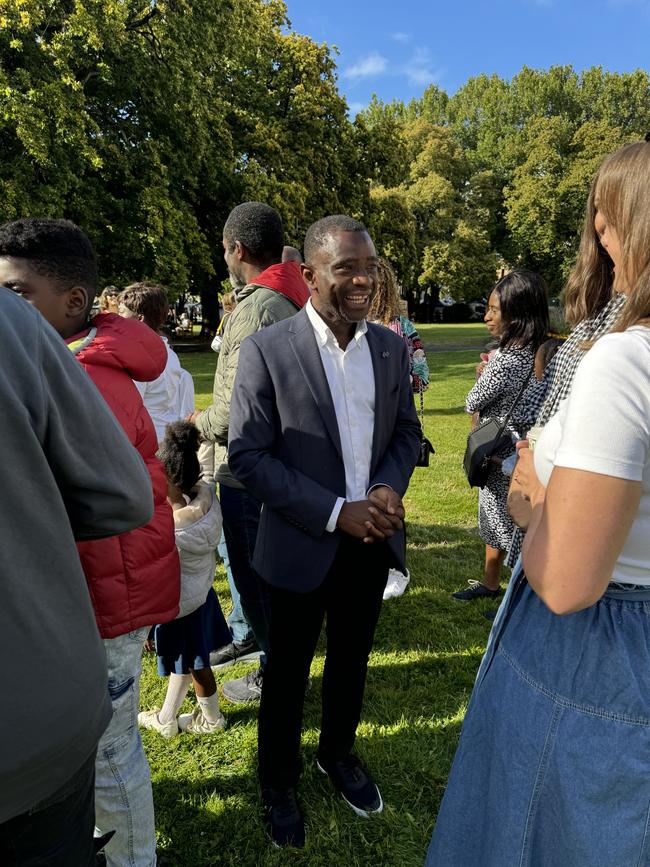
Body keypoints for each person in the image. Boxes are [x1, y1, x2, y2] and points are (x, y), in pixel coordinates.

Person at [426, 139, 650, 867]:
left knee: (533, 834)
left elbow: (567, 581)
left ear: (616, 225)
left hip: (592, 650)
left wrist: (529, 501)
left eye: (602, 220)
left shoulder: (623, 359)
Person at [227, 214, 421, 847]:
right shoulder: (266, 348)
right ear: (310, 275)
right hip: (301, 543)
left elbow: (405, 435)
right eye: (347, 268)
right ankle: (277, 781)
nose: (364, 279)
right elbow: (248, 457)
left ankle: (337, 753)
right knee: (286, 672)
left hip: (370, 542)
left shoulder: (389, 347)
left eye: (369, 266)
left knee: (352, 661)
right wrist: (338, 510)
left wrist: (388, 489)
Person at [0, 217, 180, 867]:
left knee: (111, 751)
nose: (7, 309)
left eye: (18, 294)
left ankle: (134, 858)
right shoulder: (79, 359)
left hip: (107, 594)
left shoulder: (91, 374)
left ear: (72, 302)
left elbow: (113, 493)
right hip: (104, 587)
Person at [193, 202, 309, 703]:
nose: (223, 256)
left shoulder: (258, 308)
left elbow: (229, 412)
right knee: (272, 582)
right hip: (277, 463)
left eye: (223, 248)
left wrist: (192, 422)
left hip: (247, 470)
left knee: (258, 584)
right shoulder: (288, 297)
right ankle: (280, 664)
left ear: (236, 249)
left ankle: (281, 676)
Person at [452, 270, 549, 602]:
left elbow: (472, 401)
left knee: (505, 524)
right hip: (529, 451)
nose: (487, 316)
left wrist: (483, 374)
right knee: (516, 523)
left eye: (494, 309)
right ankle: (492, 585)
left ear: (516, 314)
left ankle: (512, 596)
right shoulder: (547, 353)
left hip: (498, 453)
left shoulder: (504, 361)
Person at [139, 422, 230, 737]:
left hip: (176, 606)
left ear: (168, 482)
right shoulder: (206, 503)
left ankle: (212, 720)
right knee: (189, 659)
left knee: (195, 662)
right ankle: (166, 718)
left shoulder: (170, 531)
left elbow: (153, 576)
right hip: (201, 596)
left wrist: (149, 623)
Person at [368, 257, 431, 599]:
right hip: (362, 427)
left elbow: (422, 377)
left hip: (391, 427)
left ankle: (395, 567)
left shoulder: (401, 328)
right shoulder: (348, 326)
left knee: (388, 496)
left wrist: (392, 381)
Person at [118, 281, 195, 442]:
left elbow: (129, 407)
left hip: (144, 440)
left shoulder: (139, 356)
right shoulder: (169, 353)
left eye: (122, 312)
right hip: (163, 436)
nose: (118, 319)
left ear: (139, 318)